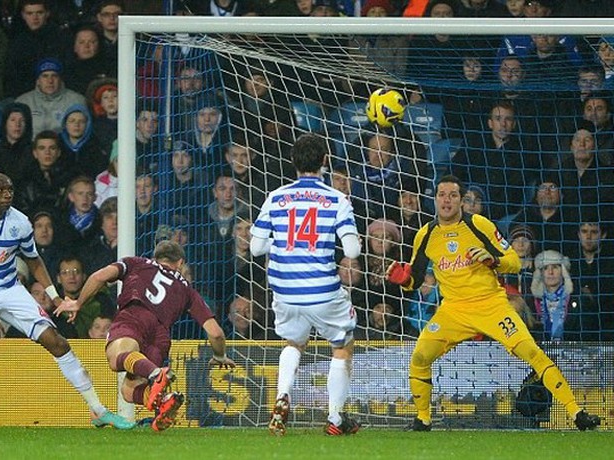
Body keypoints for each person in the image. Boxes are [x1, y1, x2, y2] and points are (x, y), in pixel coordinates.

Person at [385, 174, 601, 431]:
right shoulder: (426, 235)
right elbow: (416, 279)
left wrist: (493, 260)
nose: (447, 200)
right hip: (453, 310)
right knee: (420, 356)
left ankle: (577, 414)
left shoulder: (479, 225)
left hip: (491, 305)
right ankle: (422, 419)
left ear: (461, 201)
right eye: (442, 195)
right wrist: (403, 280)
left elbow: (512, 260)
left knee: (532, 353)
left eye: (453, 195)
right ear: (434, 200)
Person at [0, 172, 133, 429]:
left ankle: (98, 411)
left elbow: (33, 260)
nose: (7, 194)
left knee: (56, 341)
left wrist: (55, 298)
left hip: (11, 289)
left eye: (9, 189)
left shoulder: (20, 222)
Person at [53, 240, 236, 431]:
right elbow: (215, 333)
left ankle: (156, 373)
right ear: (180, 263)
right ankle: (165, 402)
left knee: (116, 359)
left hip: (135, 315)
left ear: (155, 257)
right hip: (161, 337)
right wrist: (220, 355)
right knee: (129, 390)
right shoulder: (188, 290)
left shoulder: (137, 263)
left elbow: (99, 277)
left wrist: (78, 302)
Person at [250, 133, 361, 436]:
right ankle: (336, 419)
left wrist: (284, 242)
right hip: (322, 290)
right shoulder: (337, 199)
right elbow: (351, 251)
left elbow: (256, 249)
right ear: (325, 161)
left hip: (284, 290)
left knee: (294, 344)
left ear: (293, 162)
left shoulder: (275, 197)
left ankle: (282, 397)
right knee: (342, 346)